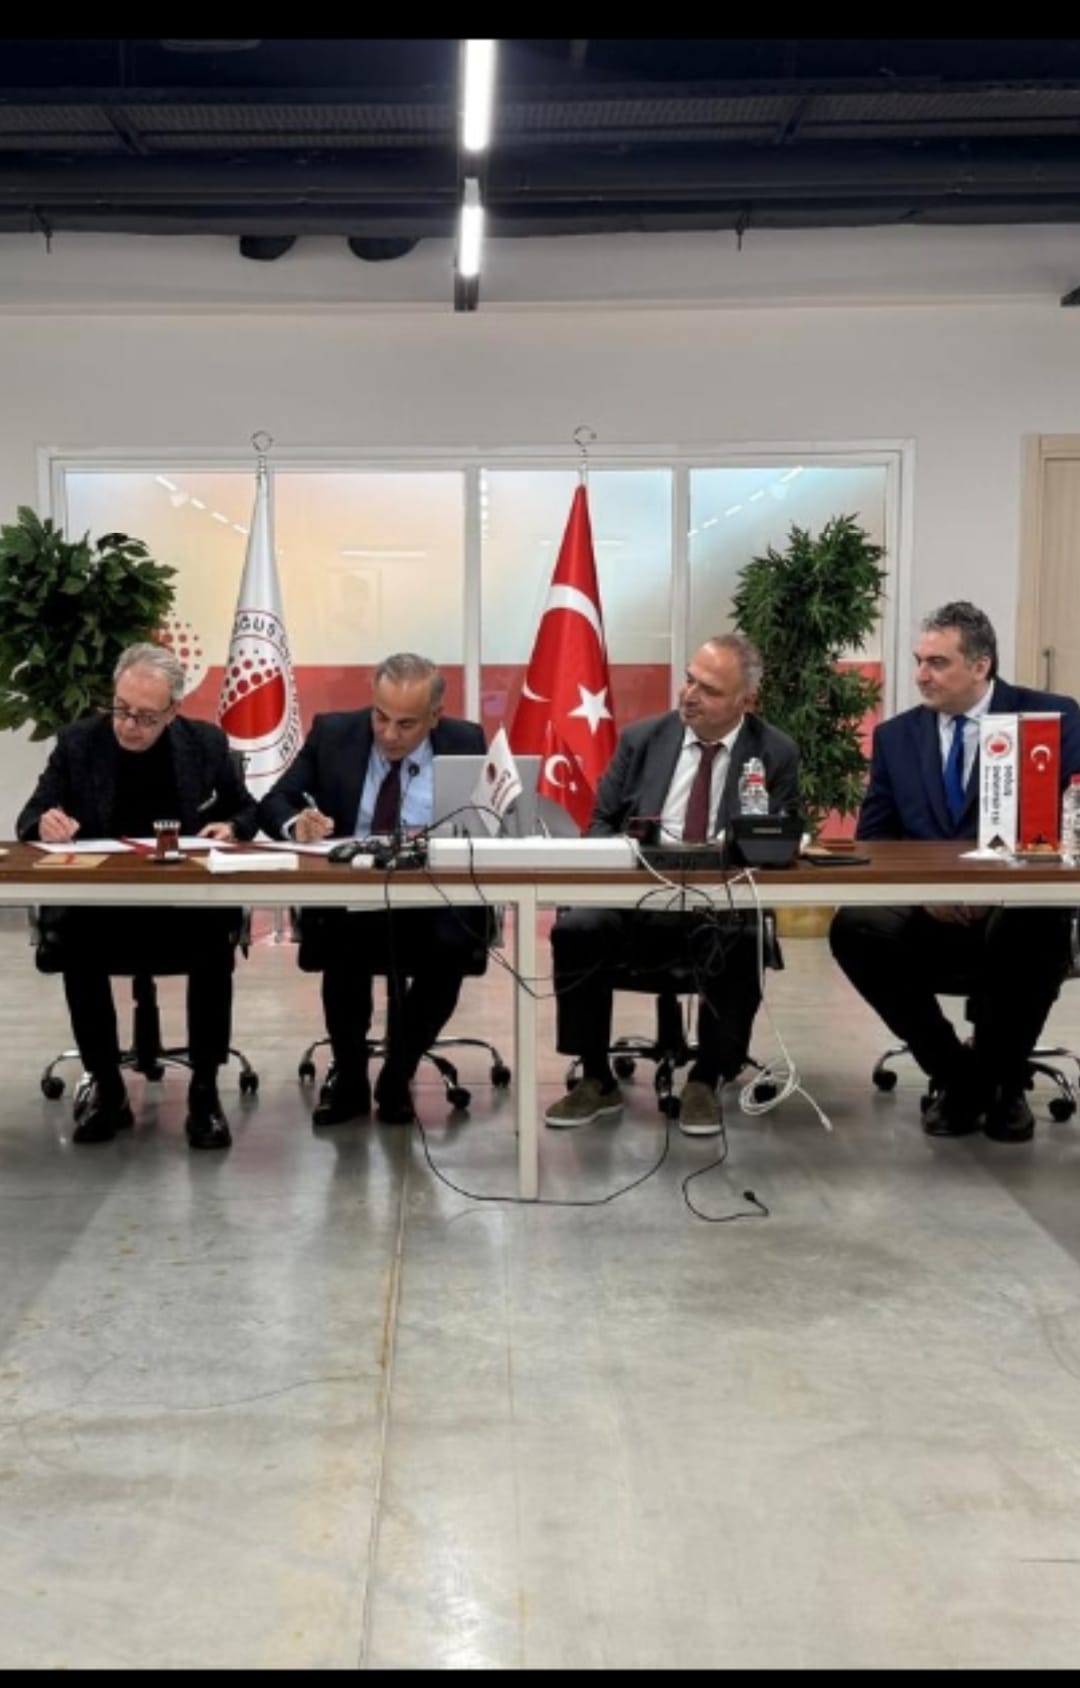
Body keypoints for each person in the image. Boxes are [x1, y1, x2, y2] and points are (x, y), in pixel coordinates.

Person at [829, 600, 1080, 1144]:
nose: (921, 675)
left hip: (1016, 913)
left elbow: (1070, 820)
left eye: (937, 663)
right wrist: (925, 895)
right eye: (919, 661)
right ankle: (960, 1076)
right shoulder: (896, 737)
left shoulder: (1051, 719)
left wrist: (999, 889)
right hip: (931, 915)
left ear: (981, 665)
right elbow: (876, 840)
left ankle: (1001, 1082)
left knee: (1035, 918)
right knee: (854, 926)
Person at [546, 633, 800, 1137]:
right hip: (636, 900)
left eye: (709, 689)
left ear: (746, 701)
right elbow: (599, 826)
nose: (689, 695)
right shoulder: (642, 739)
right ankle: (595, 1076)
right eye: (689, 680)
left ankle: (707, 1077)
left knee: (746, 934)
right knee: (577, 927)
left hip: (720, 904)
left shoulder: (775, 751)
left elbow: (782, 837)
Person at [17, 642, 258, 1150]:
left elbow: (246, 809)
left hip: (184, 910)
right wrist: (45, 823)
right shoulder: (78, 743)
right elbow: (31, 816)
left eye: (147, 717)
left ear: (173, 711)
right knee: (78, 948)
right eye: (121, 709)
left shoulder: (205, 744)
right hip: (103, 910)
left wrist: (232, 826)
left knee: (213, 948)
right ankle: (107, 1089)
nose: (129, 725)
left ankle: (204, 1091)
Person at [259, 652, 487, 1127]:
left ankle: (398, 1074)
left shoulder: (464, 742)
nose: (388, 734)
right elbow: (275, 799)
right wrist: (297, 822)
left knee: (452, 947)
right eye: (381, 717)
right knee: (345, 948)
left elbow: (485, 823)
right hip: (353, 891)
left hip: (430, 898)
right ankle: (350, 1079)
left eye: (406, 724)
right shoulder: (334, 734)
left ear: (435, 716)